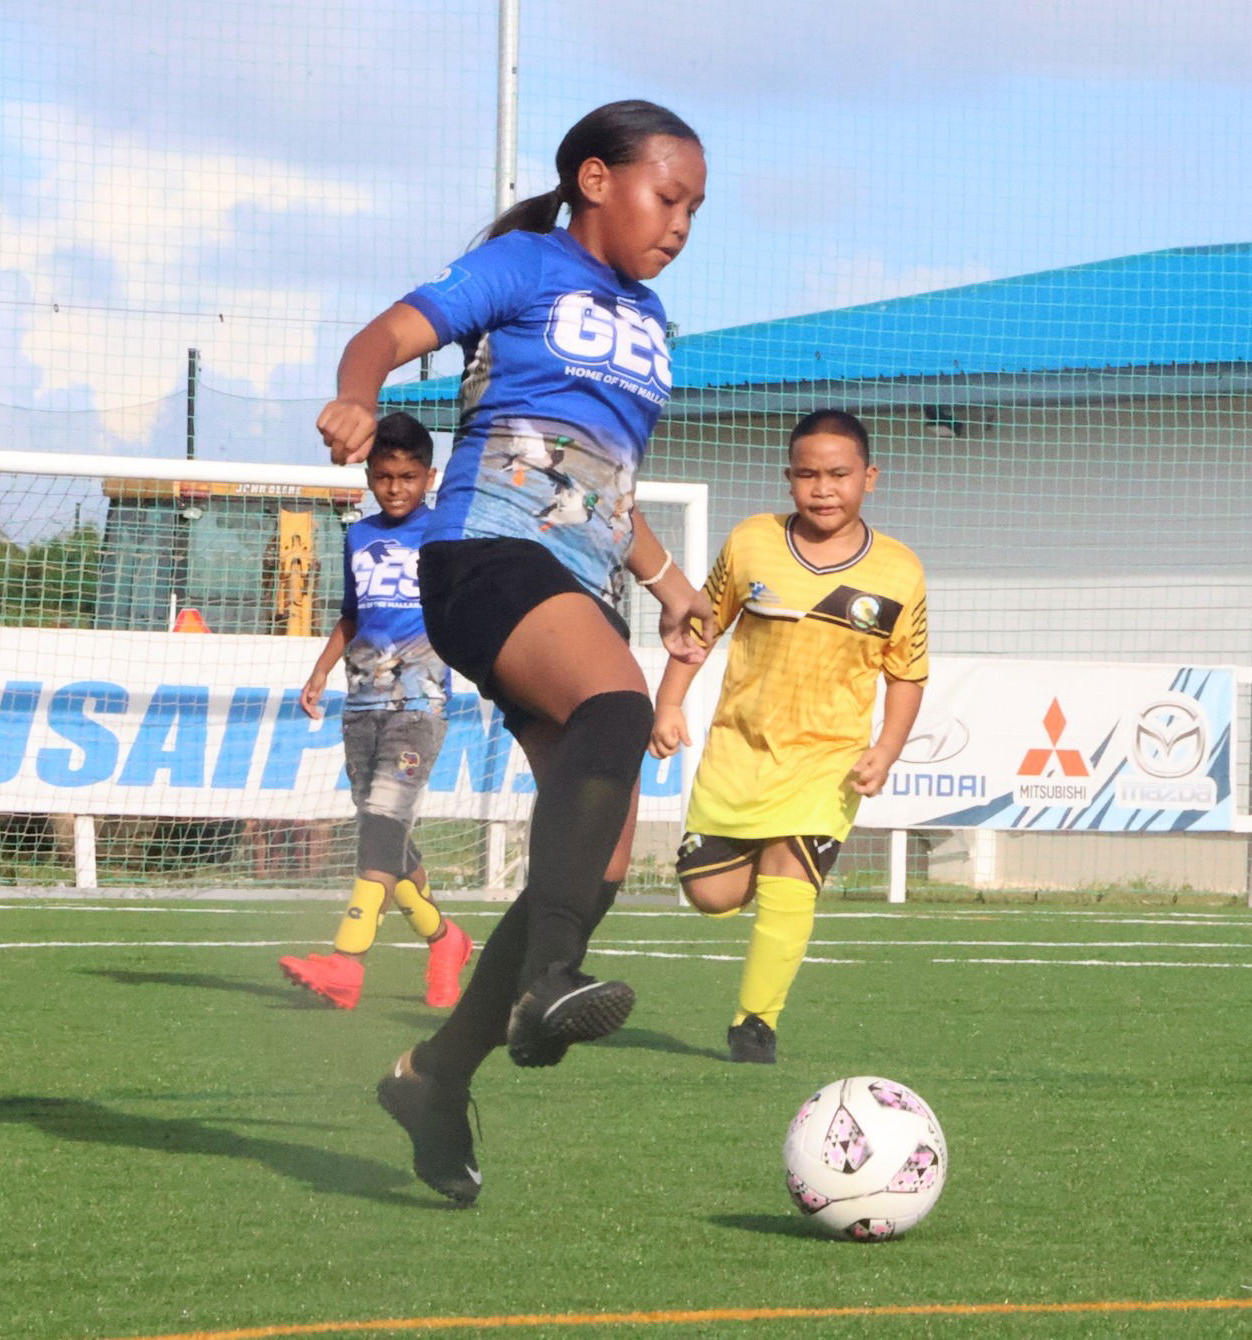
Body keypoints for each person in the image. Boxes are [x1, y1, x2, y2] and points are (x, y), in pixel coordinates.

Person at [315, 100, 710, 1204]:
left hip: (575, 580)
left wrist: (671, 584)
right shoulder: (523, 265)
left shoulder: (655, 321)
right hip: (482, 554)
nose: (681, 222)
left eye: (695, 208)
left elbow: (606, 484)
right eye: (666, 195)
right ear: (595, 178)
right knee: (622, 708)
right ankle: (548, 983)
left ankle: (434, 1076)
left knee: (600, 864)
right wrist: (358, 396)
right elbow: (384, 336)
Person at [650, 409, 928, 1065]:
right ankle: (747, 873)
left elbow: (907, 673)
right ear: (789, 479)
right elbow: (700, 627)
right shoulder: (752, 542)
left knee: (791, 877)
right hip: (738, 753)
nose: (823, 489)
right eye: (807, 475)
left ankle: (755, 1024)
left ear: (870, 477)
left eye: (838, 474)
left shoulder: (899, 571)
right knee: (712, 894)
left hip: (826, 763)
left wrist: (885, 749)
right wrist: (667, 705)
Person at [279, 412, 474, 1012]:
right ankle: (446, 941)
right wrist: (318, 671)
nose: (395, 488)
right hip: (361, 704)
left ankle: (347, 960)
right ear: (369, 475)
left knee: (384, 822)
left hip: (419, 704)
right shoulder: (357, 535)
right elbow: (351, 613)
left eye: (408, 477)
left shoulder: (446, 534)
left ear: (429, 476)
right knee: (382, 831)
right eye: (385, 476)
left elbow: (472, 607)